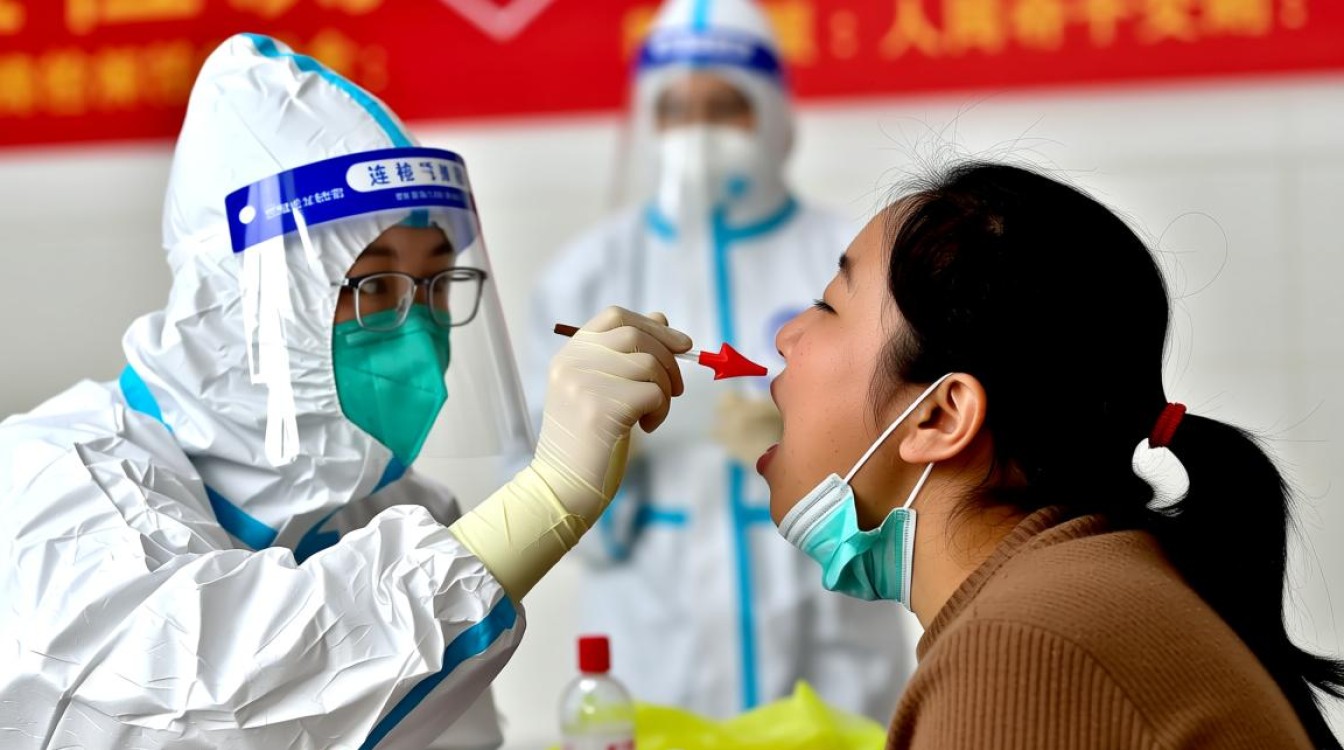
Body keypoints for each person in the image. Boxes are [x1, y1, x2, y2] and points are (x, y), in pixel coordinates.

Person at [0, 34, 689, 750]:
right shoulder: (55, 487)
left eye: (436, 284)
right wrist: (548, 498)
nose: (419, 330)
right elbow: (215, 701)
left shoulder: (390, 510)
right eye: (375, 284)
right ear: (245, 300)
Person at [763, 161, 1344, 748]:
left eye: (828, 306)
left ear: (941, 416)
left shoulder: (1023, 650)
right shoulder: (1079, 598)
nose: (786, 337)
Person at [522, 0, 914, 719]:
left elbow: (911, 461)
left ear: (772, 116)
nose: (697, 132)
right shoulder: (590, 275)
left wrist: (803, 443)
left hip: (832, 665)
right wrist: (610, 456)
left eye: (725, 107)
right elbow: (543, 494)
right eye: (676, 110)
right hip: (656, 659)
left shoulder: (850, 260)